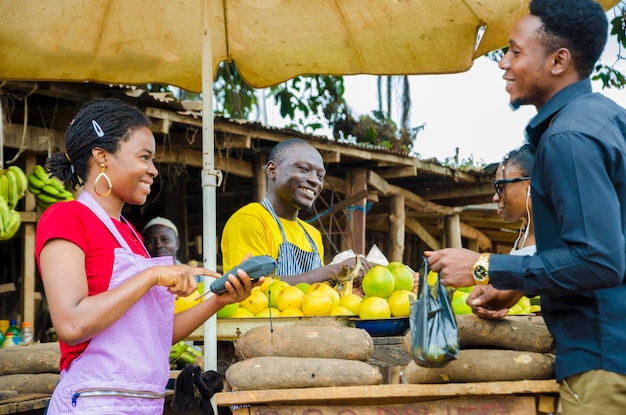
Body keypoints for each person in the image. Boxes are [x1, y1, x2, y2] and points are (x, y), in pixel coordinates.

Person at [425, 0, 626, 413]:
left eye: (515, 51)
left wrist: (485, 267)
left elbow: (601, 261)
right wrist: (521, 283)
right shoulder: (605, 118)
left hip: (604, 360)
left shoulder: (569, 138)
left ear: (558, 60)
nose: (503, 63)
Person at [36, 98, 260, 415]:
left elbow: (154, 335)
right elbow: (71, 324)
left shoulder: (130, 236)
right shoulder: (66, 217)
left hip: (143, 405)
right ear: (101, 156)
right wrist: (151, 276)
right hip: (93, 404)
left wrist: (219, 300)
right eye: (144, 157)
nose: (153, 170)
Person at [221, 138, 370, 286]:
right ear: (272, 170)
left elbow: (316, 295)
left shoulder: (313, 235)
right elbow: (256, 288)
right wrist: (333, 270)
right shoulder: (249, 220)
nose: (315, 181)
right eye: (304, 169)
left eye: (320, 176)